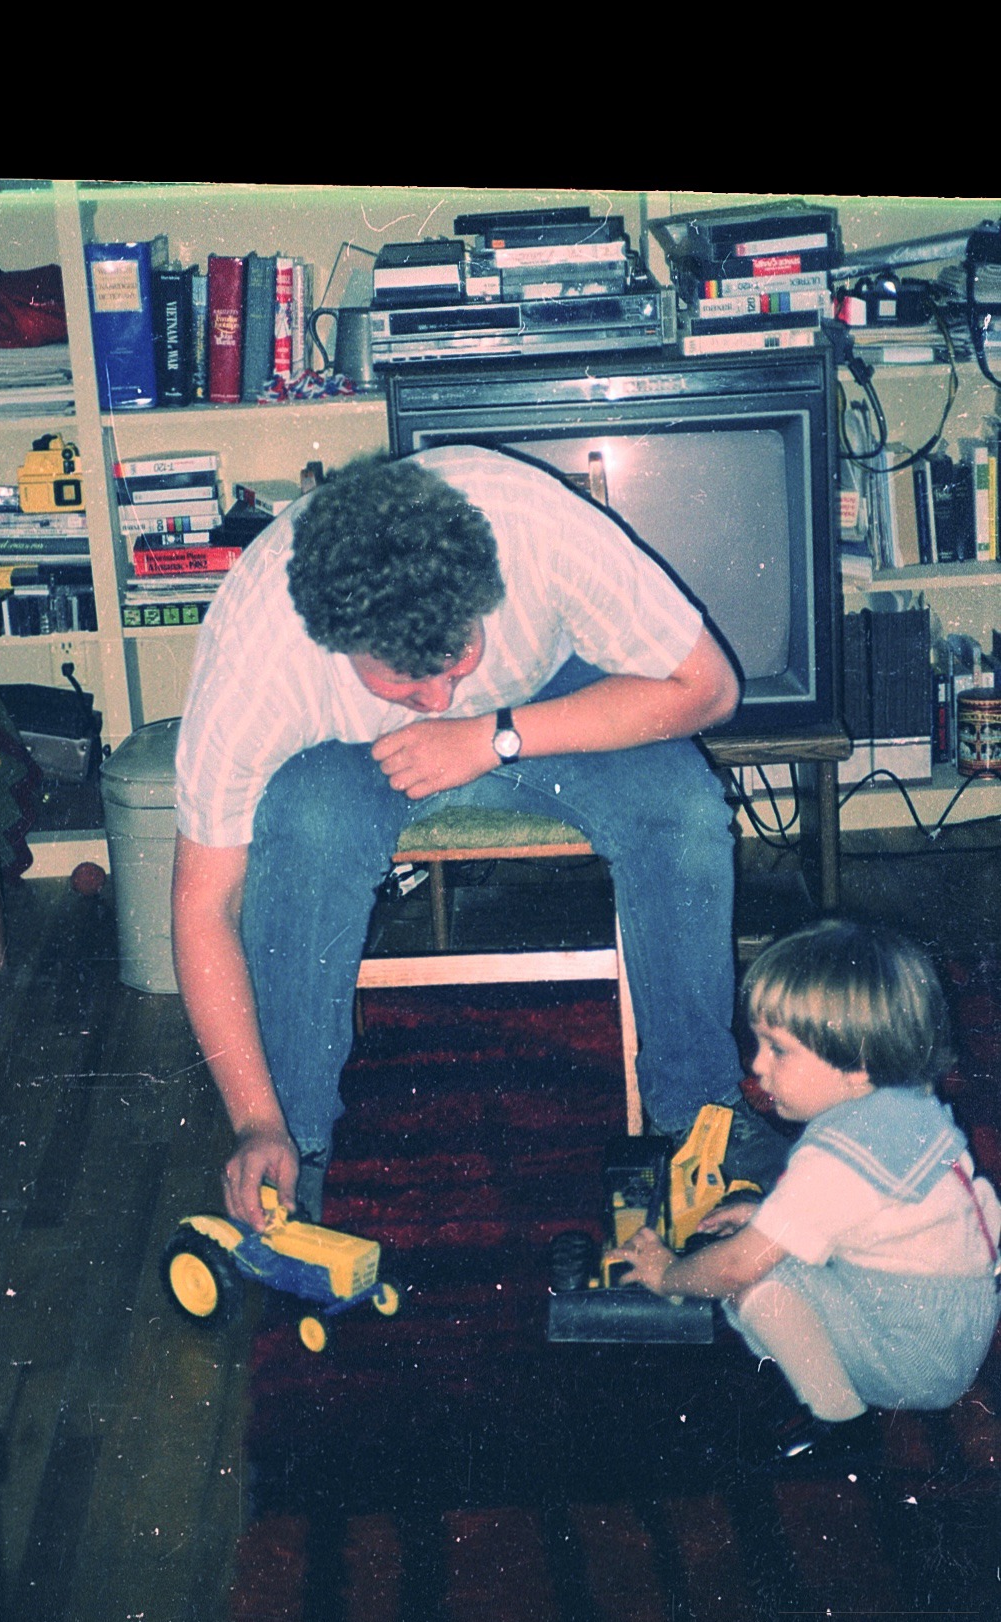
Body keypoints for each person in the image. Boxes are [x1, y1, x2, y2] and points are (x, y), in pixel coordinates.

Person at [171, 443, 790, 1231]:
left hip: (539, 707)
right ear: (335, 640)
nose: (437, 696)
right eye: (404, 681)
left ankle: (702, 1114)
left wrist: (491, 734)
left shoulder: (531, 526)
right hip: (350, 758)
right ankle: (294, 1143)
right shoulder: (257, 658)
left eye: (458, 657)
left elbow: (712, 688)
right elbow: (202, 908)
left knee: (685, 812)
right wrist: (251, 1118)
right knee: (305, 828)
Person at [620, 919, 1001, 1457]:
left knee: (752, 1284)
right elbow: (877, 1211)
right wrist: (768, 1211)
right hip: (953, 1325)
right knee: (772, 1256)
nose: (756, 1066)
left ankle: (838, 1421)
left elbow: (735, 1267)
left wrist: (667, 1276)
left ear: (858, 1063)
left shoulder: (833, 1158)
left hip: (910, 1357)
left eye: (778, 1049)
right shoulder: (905, 1102)